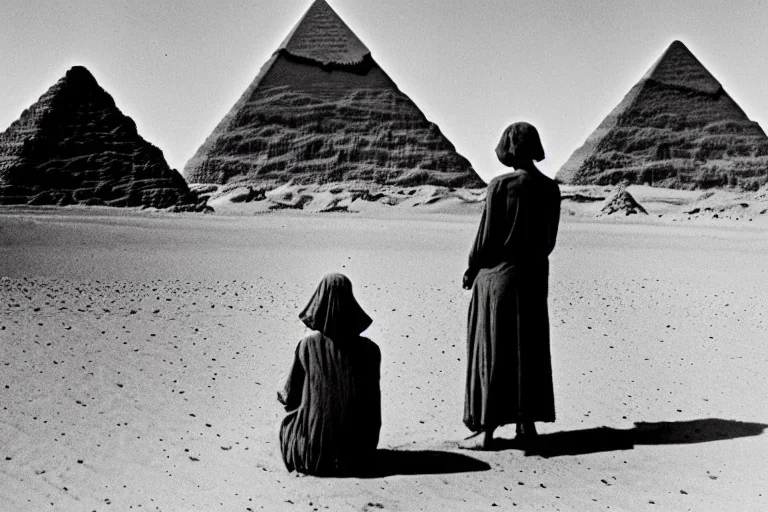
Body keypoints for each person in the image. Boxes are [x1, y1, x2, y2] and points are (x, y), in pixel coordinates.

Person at [459, 122, 561, 450]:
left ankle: (486, 432)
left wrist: (472, 268)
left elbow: (486, 238)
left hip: (498, 280)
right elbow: (548, 242)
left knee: (494, 350)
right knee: (527, 350)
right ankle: (526, 427)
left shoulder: (500, 186)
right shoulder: (550, 189)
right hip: (533, 279)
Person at [278, 273, 381, 475]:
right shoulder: (371, 350)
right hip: (361, 455)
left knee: (287, 423)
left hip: (314, 458)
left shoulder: (307, 346)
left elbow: (291, 396)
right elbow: (372, 405)